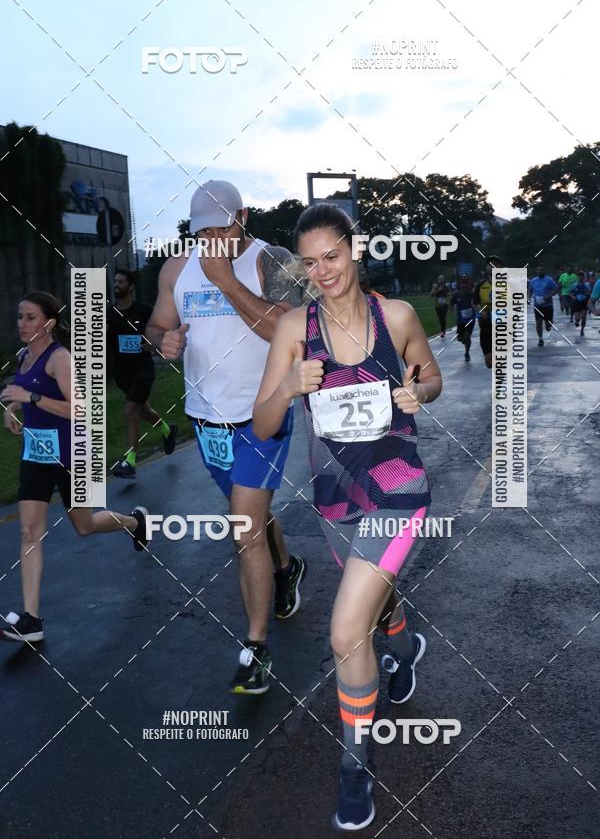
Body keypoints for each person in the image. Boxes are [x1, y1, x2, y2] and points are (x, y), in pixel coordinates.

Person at [253, 204, 442, 831]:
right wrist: (289, 387)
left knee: (343, 632)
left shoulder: (397, 316)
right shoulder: (291, 331)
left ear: (354, 250)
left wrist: (420, 392)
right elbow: (264, 424)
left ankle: (354, 766)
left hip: (398, 489)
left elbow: (431, 374)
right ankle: (404, 641)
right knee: (373, 601)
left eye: (332, 256)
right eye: (309, 263)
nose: (323, 271)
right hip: (336, 495)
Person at [146, 180, 307, 695]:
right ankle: (287, 567)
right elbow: (153, 327)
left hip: (263, 413)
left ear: (242, 217)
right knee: (251, 518)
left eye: (220, 226)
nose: (211, 238)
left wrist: (227, 284)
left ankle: (255, 649)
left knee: (243, 529)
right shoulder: (176, 268)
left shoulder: (272, 259)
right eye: (202, 231)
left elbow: (290, 331)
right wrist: (162, 342)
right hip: (206, 420)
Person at [0, 292, 148, 643]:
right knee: (28, 533)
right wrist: (11, 411)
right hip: (36, 455)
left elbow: (80, 410)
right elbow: (23, 396)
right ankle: (31, 619)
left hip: (73, 454)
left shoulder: (59, 358)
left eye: (31, 317)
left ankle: (135, 522)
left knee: (84, 525)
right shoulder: (23, 357)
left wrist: (30, 399)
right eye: (20, 316)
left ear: (49, 323)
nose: (22, 323)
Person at [107, 269, 177, 479]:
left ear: (131, 287)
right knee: (143, 409)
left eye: (121, 281)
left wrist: (153, 345)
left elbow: (160, 331)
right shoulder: (109, 313)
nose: (116, 284)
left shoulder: (144, 311)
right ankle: (167, 430)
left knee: (131, 411)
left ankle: (130, 462)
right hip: (122, 373)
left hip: (143, 370)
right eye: (115, 281)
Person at [472, 255, 502, 369]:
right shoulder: (480, 286)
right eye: (490, 264)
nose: (492, 266)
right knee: (489, 362)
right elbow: (474, 303)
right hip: (486, 326)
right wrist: (481, 311)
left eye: (496, 264)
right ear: (486, 268)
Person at [528, 266, 559, 346]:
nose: (540, 271)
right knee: (538, 322)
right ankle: (540, 339)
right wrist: (528, 298)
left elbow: (556, 289)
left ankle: (548, 325)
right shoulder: (533, 281)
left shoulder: (549, 280)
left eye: (541, 269)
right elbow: (530, 290)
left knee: (548, 324)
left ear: (544, 271)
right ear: (536, 271)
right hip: (537, 305)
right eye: (538, 270)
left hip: (548, 305)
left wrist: (549, 296)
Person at [451, 275, 476, 361]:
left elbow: (476, 304)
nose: (465, 286)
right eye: (463, 284)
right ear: (460, 285)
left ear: (469, 284)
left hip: (470, 319)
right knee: (460, 338)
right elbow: (451, 304)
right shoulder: (456, 295)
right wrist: (452, 313)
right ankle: (465, 341)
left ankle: (467, 353)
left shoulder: (472, 295)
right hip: (460, 320)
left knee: (467, 336)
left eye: (466, 284)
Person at [570, 270, 590, 336]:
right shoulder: (574, 285)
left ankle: (582, 330)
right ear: (578, 277)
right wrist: (573, 297)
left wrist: (587, 295)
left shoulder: (587, 285)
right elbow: (570, 293)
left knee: (584, 317)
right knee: (577, 316)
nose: (581, 277)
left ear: (584, 277)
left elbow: (589, 293)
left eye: (582, 276)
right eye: (579, 276)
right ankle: (577, 320)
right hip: (576, 302)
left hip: (584, 302)